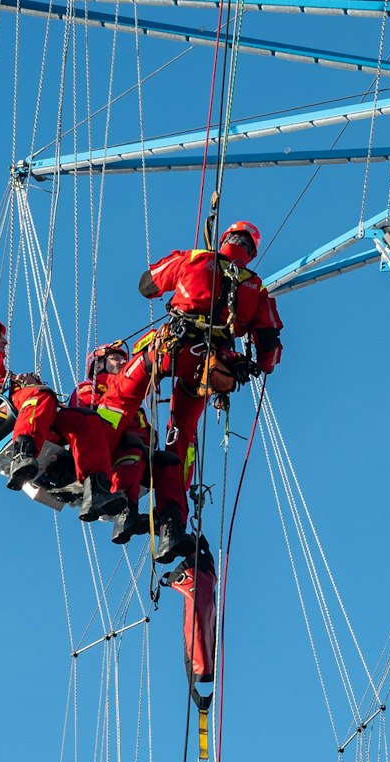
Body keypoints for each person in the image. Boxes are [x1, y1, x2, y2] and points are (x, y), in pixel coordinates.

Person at [124, 221, 283, 562]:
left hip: (172, 349)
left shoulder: (195, 258)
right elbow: (269, 347)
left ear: (225, 238)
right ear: (251, 251)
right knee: (180, 439)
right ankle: (171, 527)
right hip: (207, 369)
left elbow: (147, 285)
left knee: (121, 403)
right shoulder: (255, 286)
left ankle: (114, 493)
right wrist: (258, 364)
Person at [0, 315, 124, 521]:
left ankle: (96, 488)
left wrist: (23, 383)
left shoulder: (7, 375)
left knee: (85, 419)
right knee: (40, 394)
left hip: (22, 415)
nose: (5, 341)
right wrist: (18, 384)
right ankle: (23, 454)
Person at [73, 340, 154, 545]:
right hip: (99, 446)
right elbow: (86, 417)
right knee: (131, 441)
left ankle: (130, 514)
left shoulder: (135, 402)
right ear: (99, 365)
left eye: (124, 359)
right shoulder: (88, 389)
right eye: (116, 358)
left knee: (169, 462)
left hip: (131, 453)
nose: (122, 362)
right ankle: (102, 495)